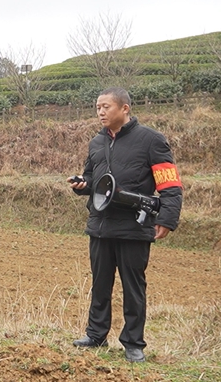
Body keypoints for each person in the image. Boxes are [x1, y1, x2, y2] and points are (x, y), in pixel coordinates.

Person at [69, 87, 183, 363]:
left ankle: (133, 343)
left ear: (125, 109)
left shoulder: (152, 140)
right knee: (100, 283)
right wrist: (82, 186)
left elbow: (170, 184)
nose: (100, 112)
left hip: (134, 226)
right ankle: (95, 335)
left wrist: (167, 218)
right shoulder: (96, 142)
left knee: (133, 287)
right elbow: (90, 178)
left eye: (106, 106)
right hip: (100, 225)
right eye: (97, 107)